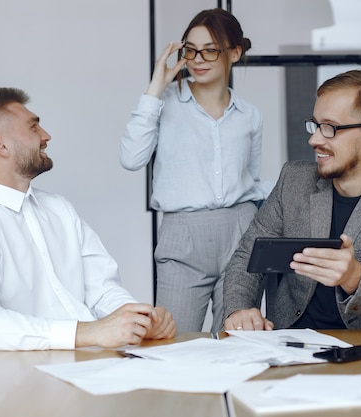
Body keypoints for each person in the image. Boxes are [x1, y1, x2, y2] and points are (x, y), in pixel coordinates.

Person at [0, 87, 177, 351]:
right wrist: (86, 332)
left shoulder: (59, 209)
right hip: (22, 375)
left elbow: (102, 288)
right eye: (33, 127)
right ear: (1, 145)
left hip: (90, 363)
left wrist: (138, 319)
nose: (46, 136)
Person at [223, 69, 361, 331]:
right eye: (315, 125)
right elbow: (248, 256)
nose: (314, 139)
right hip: (290, 345)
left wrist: (354, 277)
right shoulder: (293, 180)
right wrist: (241, 308)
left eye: (330, 128)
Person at [120, 9, 272, 333]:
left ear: (234, 52)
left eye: (210, 50)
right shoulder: (163, 103)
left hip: (240, 231)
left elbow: (252, 182)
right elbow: (132, 158)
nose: (197, 59)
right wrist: (155, 88)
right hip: (183, 235)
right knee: (172, 342)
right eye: (190, 49)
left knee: (236, 342)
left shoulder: (250, 116)